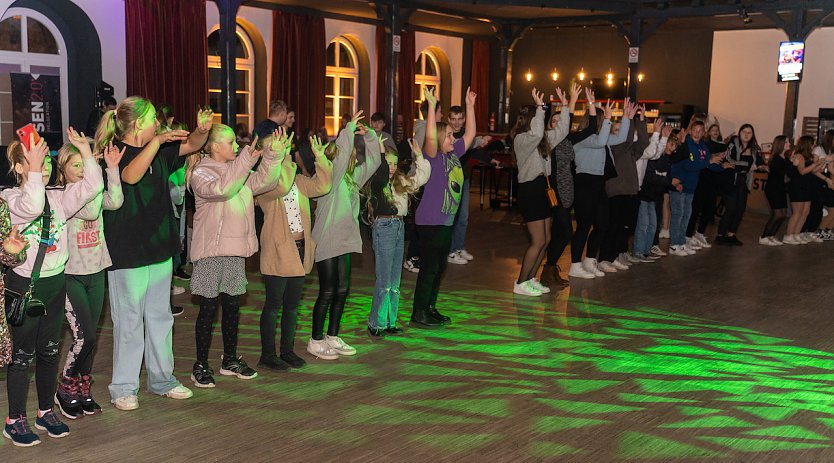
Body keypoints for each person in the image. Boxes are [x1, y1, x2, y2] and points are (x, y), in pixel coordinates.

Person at [98, 97, 212, 411]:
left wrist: (203, 130)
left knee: (160, 318)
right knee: (130, 322)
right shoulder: (113, 153)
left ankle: (162, 379)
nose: (157, 126)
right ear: (138, 124)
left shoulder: (161, 149)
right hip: (127, 252)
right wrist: (159, 141)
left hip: (159, 249)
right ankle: (123, 387)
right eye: (152, 121)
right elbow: (130, 176)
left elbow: (194, 144)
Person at [3, 129, 102, 446]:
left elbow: (93, 186)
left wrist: (86, 153)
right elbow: (32, 207)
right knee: (21, 357)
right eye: (34, 162)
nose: (43, 167)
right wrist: (33, 170)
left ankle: (45, 411)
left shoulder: (59, 195)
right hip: (25, 286)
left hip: (56, 283)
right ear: (20, 168)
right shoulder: (9, 198)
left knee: (48, 353)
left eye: (46, 161)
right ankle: (13, 419)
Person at [185, 125, 289, 388]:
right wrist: (245, 159)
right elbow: (223, 189)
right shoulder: (201, 172)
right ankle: (200, 364)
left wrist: (273, 156)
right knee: (208, 310)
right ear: (215, 146)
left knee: (232, 307)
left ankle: (229, 359)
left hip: (234, 253)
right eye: (231, 142)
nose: (236, 146)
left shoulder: (239, 171)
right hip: (211, 252)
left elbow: (265, 181)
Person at [53, 141, 124, 419]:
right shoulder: (64, 195)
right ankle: (66, 385)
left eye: (85, 165)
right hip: (72, 274)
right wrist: (95, 175)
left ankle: (82, 385)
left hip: (96, 270)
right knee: (86, 336)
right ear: (63, 170)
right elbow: (91, 211)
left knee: (89, 340)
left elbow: (115, 201)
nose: (82, 171)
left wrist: (113, 170)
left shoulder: (92, 191)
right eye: (76, 165)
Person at [309, 110, 382, 358]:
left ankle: (332, 335)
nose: (354, 157)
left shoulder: (351, 179)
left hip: (345, 241)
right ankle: (316, 339)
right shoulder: (327, 180)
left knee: (342, 290)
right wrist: (347, 131)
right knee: (327, 291)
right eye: (350, 153)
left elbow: (374, 162)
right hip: (326, 242)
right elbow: (340, 162)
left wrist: (370, 135)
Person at [257, 135, 333, 370]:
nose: (283, 148)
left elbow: (323, 185)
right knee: (273, 305)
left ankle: (287, 350)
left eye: (284, 146)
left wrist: (320, 158)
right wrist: (284, 158)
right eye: (275, 146)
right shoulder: (262, 183)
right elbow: (280, 184)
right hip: (278, 251)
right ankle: (268, 355)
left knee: (292, 306)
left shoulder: (298, 180)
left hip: (300, 249)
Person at [410, 86, 477, 326]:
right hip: (430, 221)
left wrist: (469, 105)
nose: (453, 137)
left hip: (445, 221)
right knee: (429, 269)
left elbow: (470, 135)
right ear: (438, 139)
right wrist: (430, 107)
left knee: (438, 269)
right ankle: (419, 313)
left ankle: (430, 307)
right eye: (448, 134)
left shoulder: (453, 156)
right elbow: (429, 136)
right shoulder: (433, 156)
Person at [511, 86, 573, 296]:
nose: (542, 115)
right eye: (538, 113)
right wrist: (540, 107)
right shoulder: (521, 139)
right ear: (531, 117)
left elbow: (562, 131)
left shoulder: (542, 140)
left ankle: (530, 278)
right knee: (537, 241)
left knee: (545, 240)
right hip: (530, 191)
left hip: (543, 190)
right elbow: (537, 132)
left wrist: (565, 107)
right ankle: (520, 283)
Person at [365, 138, 430, 336]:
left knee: (394, 280)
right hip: (384, 227)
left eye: (394, 163)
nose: (391, 167)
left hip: (399, 226)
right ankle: (376, 323)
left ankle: (389, 322)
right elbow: (382, 170)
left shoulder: (400, 181)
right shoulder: (377, 182)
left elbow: (422, 177)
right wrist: (380, 151)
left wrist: (419, 156)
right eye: (388, 163)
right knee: (384, 279)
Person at [541, 87, 599, 287]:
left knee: (559, 231)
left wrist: (591, 103)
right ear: (549, 125)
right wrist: (570, 102)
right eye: (554, 121)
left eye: (561, 121)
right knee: (566, 232)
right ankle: (548, 268)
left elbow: (592, 128)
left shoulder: (568, 139)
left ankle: (550, 270)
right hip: (553, 190)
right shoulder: (547, 140)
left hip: (568, 189)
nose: (558, 124)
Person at [568, 98, 630, 279]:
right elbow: (601, 141)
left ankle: (589, 260)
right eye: (603, 121)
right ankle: (575, 265)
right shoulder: (582, 137)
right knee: (583, 226)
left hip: (599, 185)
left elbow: (621, 137)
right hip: (584, 184)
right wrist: (609, 118)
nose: (606, 124)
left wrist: (626, 118)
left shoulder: (599, 137)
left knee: (602, 224)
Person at [599, 102, 649, 271]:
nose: (621, 133)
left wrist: (641, 121)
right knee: (613, 226)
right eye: (616, 130)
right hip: (616, 190)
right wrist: (626, 118)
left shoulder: (629, 151)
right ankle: (606, 257)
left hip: (629, 190)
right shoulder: (614, 147)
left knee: (625, 226)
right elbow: (626, 140)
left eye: (622, 129)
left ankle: (618, 254)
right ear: (611, 134)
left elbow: (642, 143)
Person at [668, 121, 725, 256]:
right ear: (690, 131)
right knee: (678, 215)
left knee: (686, 215)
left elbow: (708, 163)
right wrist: (708, 161)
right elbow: (690, 165)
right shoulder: (686, 145)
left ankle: (681, 243)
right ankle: (674, 244)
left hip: (691, 186)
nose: (697, 133)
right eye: (695, 130)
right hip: (680, 185)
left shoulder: (703, 146)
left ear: (704, 132)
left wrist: (722, 166)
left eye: (700, 131)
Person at [446, 105, 492, 266]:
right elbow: (462, 145)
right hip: (449, 180)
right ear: (448, 119)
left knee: (463, 217)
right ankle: (450, 251)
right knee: (450, 216)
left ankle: (458, 247)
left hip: (463, 179)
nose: (457, 123)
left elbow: (471, 148)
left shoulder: (467, 133)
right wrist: (478, 141)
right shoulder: (446, 134)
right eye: (453, 119)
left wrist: (482, 145)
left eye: (460, 119)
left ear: (464, 119)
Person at [634, 127, 682, 259]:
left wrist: (674, 186)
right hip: (644, 195)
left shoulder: (667, 159)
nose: (673, 149)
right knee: (643, 225)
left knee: (653, 225)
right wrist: (669, 182)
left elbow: (666, 178)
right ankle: (638, 251)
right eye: (671, 144)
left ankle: (647, 251)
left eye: (675, 146)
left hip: (655, 197)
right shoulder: (654, 157)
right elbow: (649, 176)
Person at [715, 124, 759, 246]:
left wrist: (755, 165)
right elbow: (728, 160)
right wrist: (747, 165)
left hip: (742, 181)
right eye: (744, 132)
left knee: (740, 209)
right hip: (729, 181)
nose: (746, 135)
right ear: (739, 133)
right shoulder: (732, 144)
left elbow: (757, 162)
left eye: (749, 132)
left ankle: (731, 234)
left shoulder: (754, 148)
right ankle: (720, 235)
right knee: (731, 209)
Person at [784, 136, 823, 245]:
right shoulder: (799, 156)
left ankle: (796, 234)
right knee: (797, 213)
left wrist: (818, 165)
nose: (814, 146)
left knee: (805, 212)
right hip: (798, 186)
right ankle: (788, 235)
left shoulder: (808, 156)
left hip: (807, 186)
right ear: (807, 144)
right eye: (812, 144)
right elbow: (802, 171)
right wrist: (815, 164)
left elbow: (810, 170)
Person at [760, 136, 790, 245]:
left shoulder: (785, 158)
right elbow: (781, 173)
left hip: (780, 189)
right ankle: (764, 237)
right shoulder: (776, 158)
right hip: (773, 189)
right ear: (780, 144)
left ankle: (771, 236)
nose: (788, 143)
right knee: (777, 214)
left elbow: (788, 174)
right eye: (786, 142)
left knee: (783, 214)